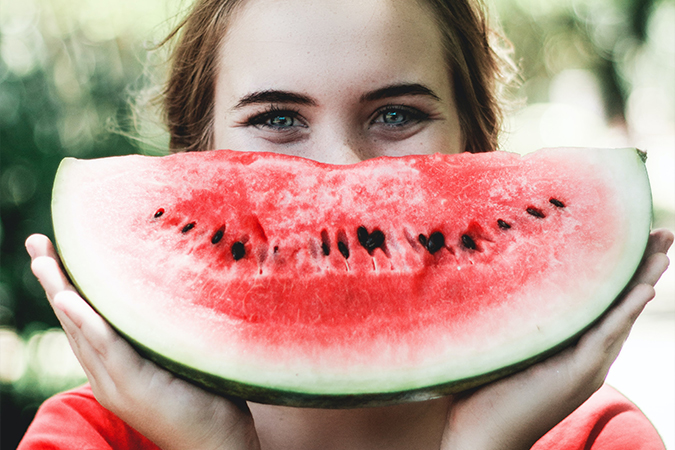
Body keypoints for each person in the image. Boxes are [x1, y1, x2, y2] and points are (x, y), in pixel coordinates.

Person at [20, 0, 673, 449]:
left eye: (395, 114)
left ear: (478, 146)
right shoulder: (90, 435)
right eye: (277, 117)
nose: (340, 170)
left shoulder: (598, 438)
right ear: (194, 155)